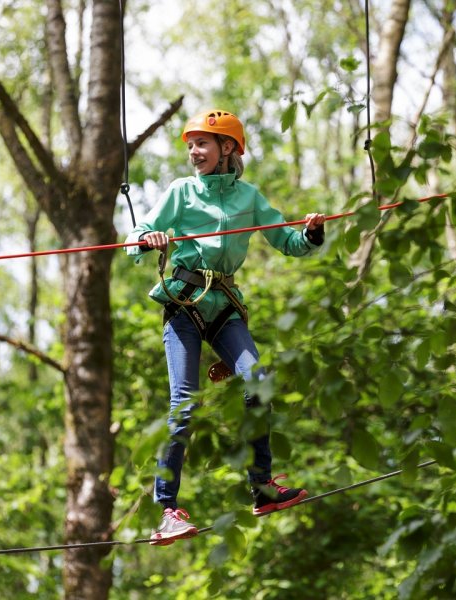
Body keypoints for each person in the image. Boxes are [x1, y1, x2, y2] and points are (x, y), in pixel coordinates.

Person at [125, 108, 326, 546]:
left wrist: (309, 234)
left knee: (258, 382)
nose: (194, 152)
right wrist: (149, 238)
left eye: (203, 143)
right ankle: (168, 510)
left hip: (226, 307)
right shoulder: (181, 192)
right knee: (184, 403)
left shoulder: (249, 198)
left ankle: (262, 487)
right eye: (191, 145)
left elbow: (286, 241)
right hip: (184, 303)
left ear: (228, 148)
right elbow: (135, 238)